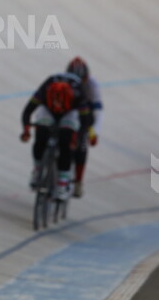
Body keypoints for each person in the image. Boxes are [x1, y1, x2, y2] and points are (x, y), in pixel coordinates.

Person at [20, 71, 94, 201]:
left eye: (60, 105)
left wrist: (75, 139)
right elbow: (27, 111)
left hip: (70, 111)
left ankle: (62, 184)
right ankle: (37, 170)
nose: (58, 108)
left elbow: (85, 123)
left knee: (66, 142)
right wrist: (26, 130)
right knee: (40, 135)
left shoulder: (79, 96)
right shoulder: (44, 90)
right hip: (47, 109)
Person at [65, 57, 102, 198]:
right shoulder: (62, 80)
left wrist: (94, 132)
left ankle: (78, 182)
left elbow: (98, 111)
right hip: (67, 111)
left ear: (87, 78)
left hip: (85, 114)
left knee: (81, 145)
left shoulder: (93, 86)